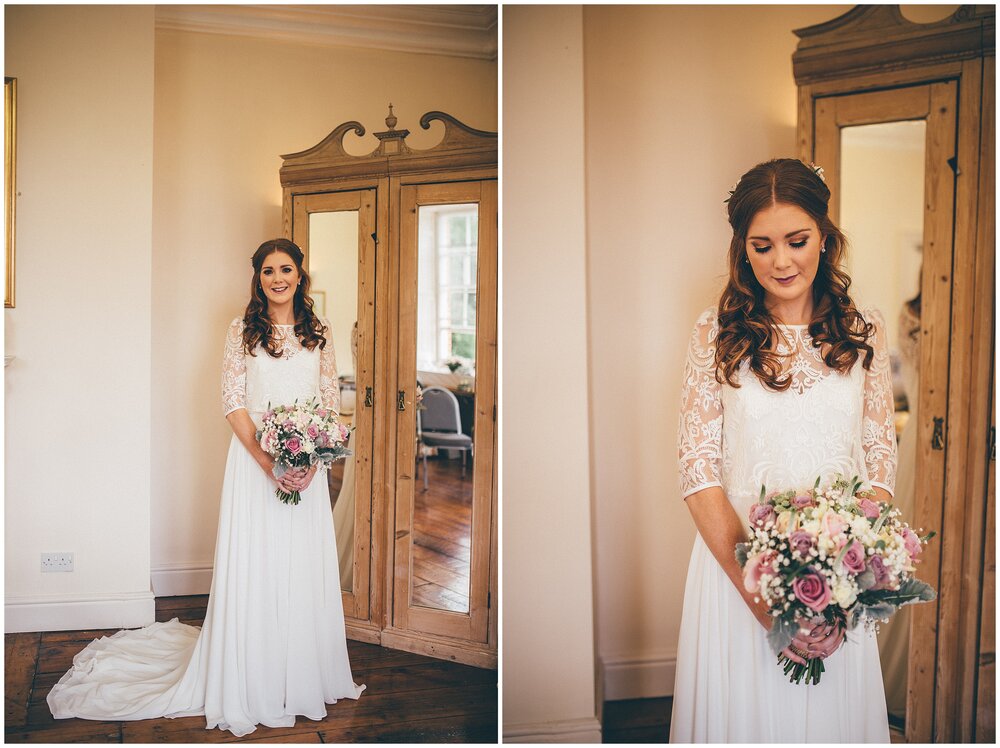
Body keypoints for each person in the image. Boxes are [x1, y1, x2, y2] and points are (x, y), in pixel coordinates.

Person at [47, 238, 365, 736]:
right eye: (267, 271)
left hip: (306, 466)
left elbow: (326, 405)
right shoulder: (242, 329)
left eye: (286, 269)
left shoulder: (318, 333)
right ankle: (249, 674)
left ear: (301, 275)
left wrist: (309, 461)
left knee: (298, 563)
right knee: (256, 561)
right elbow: (232, 402)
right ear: (257, 278)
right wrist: (268, 461)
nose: (277, 278)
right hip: (254, 462)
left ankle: (299, 673)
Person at [670, 159, 896, 742]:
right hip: (735, 574)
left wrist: (844, 583)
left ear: (824, 236)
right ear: (743, 249)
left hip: (838, 583)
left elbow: (878, 466)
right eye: (762, 245)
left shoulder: (864, 332)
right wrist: (766, 601)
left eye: (797, 241)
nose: (781, 261)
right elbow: (698, 470)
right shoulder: (716, 333)